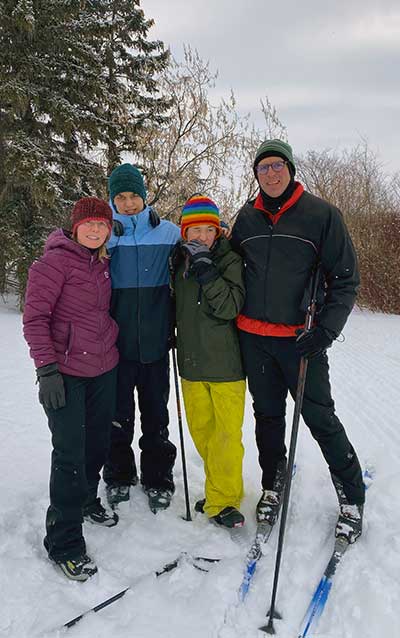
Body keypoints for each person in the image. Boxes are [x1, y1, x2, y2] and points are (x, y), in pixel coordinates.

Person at [231, 139, 365, 543]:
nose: (271, 174)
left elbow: (345, 278)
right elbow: (231, 267)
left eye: (277, 166)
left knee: (320, 417)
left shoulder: (321, 215)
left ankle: (352, 496)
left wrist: (325, 330)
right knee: (267, 417)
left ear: (290, 169)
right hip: (254, 339)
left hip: (300, 340)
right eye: (263, 168)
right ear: (256, 174)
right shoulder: (246, 218)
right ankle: (273, 482)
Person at [23, 197, 119, 582]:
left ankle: (85, 497)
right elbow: (34, 319)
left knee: (97, 444)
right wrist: (46, 370)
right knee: (69, 453)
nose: (96, 231)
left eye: (102, 225)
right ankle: (63, 542)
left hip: (104, 368)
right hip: (64, 373)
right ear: (75, 226)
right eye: (89, 224)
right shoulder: (53, 263)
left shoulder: (103, 265)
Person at [103, 163, 179, 513]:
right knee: (117, 416)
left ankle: (158, 478)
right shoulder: (104, 237)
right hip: (115, 347)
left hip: (155, 345)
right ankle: (118, 476)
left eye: (134, 196)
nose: (129, 203)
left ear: (144, 197)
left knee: (155, 416)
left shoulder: (167, 234)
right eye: (121, 196)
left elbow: (199, 245)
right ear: (112, 199)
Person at [170, 194, 246, 528]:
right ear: (185, 232)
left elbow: (230, 307)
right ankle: (218, 491)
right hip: (190, 364)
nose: (201, 236)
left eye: (208, 230)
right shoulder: (178, 262)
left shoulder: (229, 261)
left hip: (226, 366)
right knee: (202, 433)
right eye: (194, 230)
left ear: (218, 232)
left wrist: (207, 270)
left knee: (226, 436)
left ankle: (225, 500)